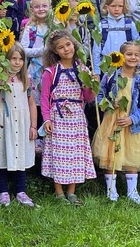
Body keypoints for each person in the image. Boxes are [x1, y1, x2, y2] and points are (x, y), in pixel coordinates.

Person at [40, 31, 96, 206]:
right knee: (59, 154)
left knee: (75, 154)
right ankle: (59, 192)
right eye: (61, 47)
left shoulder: (83, 70)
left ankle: (71, 191)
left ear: (74, 44)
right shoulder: (51, 72)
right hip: (58, 116)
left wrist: (92, 85)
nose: (66, 49)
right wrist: (47, 119)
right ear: (55, 51)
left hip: (77, 117)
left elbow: (88, 98)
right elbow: (44, 97)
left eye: (68, 45)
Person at [91, 41, 140, 204]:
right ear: (121, 56)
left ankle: (132, 191)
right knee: (111, 155)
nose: (133, 57)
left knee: (133, 155)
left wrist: (132, 118)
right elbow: (100, 97)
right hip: (113, 121)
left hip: (132, 124)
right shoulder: (110, 76)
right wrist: (110, 103)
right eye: (129, 54)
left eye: (136, 55)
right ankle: (112, 190)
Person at [0, 43, 38, 207]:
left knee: (20, 153)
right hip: (4, 121)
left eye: (20, 59)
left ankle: (21, 191)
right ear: (5, 60)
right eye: (13, 59)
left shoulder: (26, 80)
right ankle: (3, 191)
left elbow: (31, 104)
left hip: (22, 122)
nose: (17, 62)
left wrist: (33, 126)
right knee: (2, 152)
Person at [92, 0, 139, 76]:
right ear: (107, 7)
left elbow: (138, 45)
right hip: (106, 67)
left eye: (120, 6)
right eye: (113, 6)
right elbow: (96, 50)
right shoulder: (101, 26)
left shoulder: (130, 25)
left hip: (126, 66)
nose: (116, 9)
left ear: (124, 7)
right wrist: (97, 72)